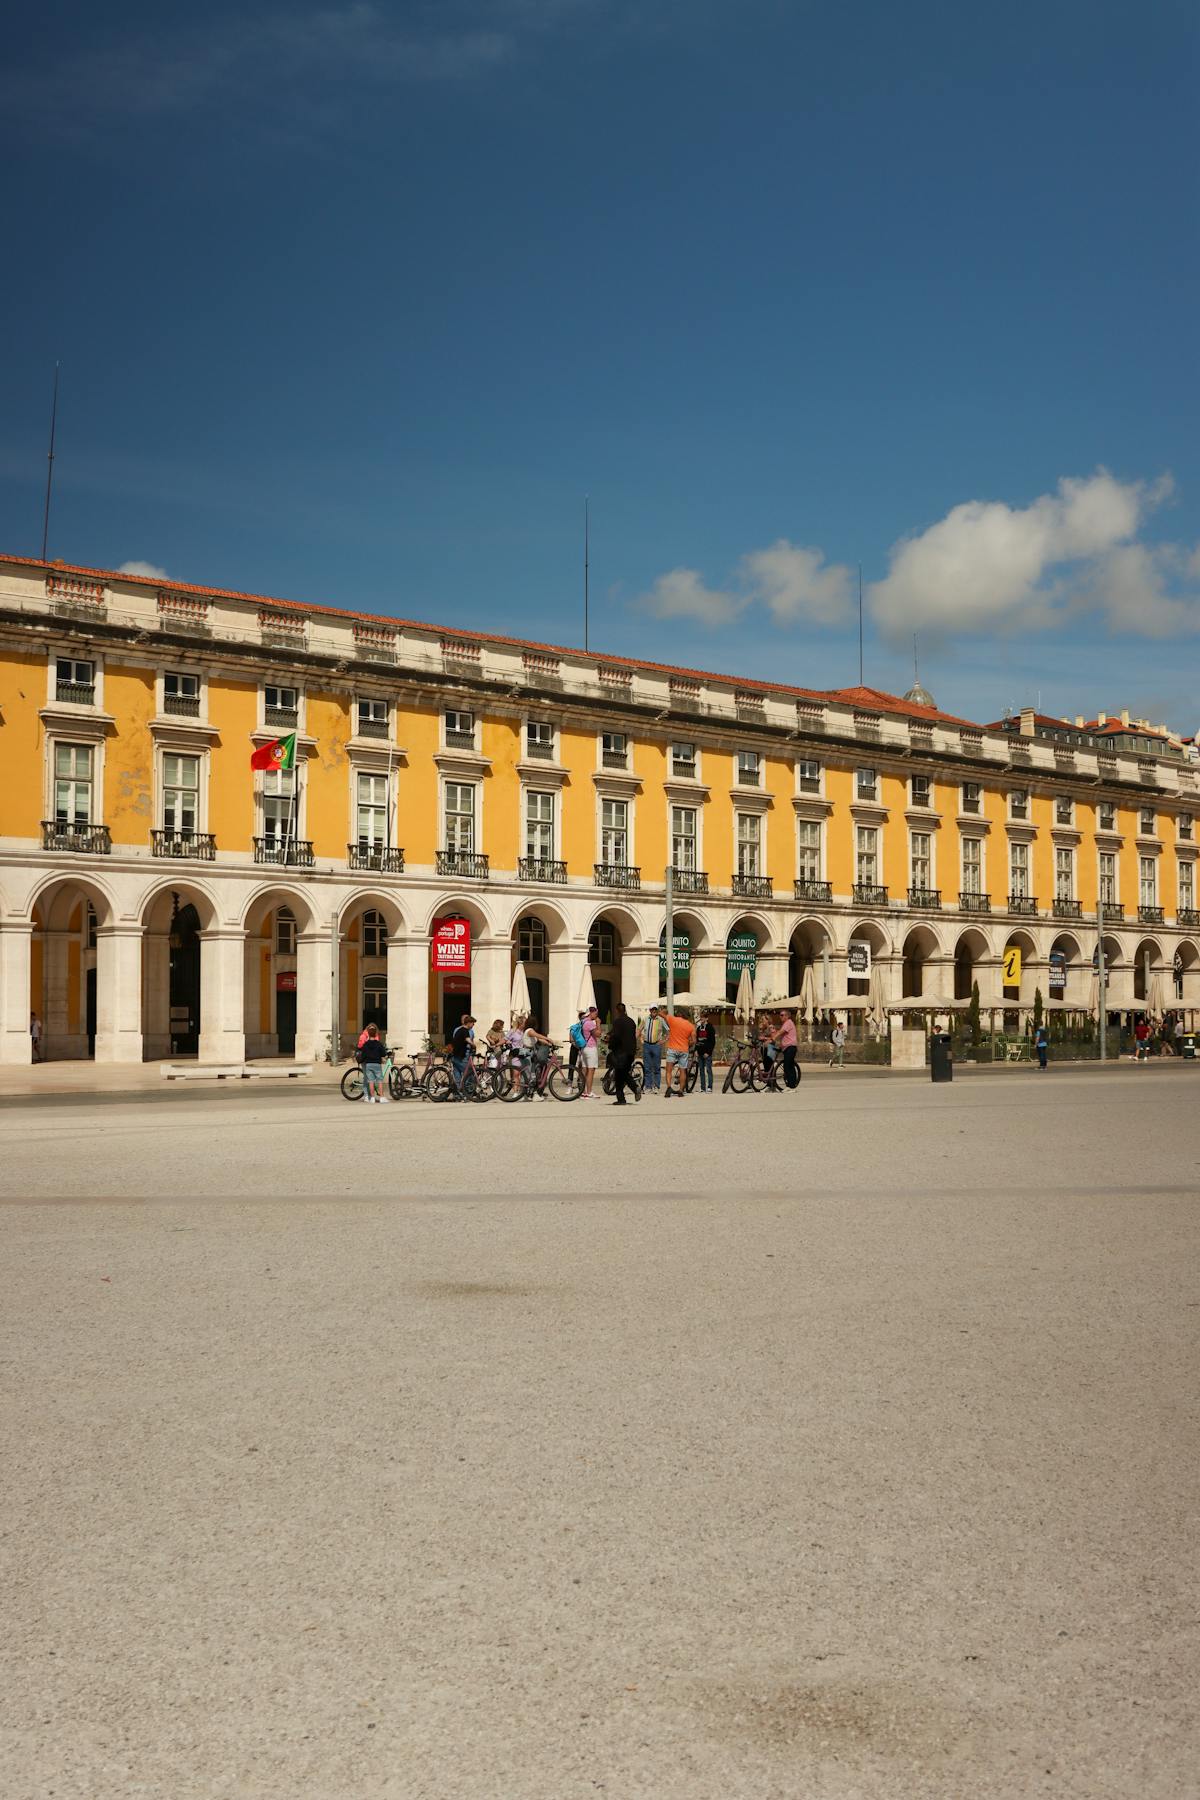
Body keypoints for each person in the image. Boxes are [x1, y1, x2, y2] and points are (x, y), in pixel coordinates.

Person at [607, 1002, 639, 1105]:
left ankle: (629, 1092)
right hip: (631, 1052)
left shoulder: (618, 1022)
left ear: (617, 1010)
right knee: (623, 1074)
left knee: (620, 1075)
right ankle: (627, 1094)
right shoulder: (631, 1021)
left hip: (621, 1052)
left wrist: (609, 1043)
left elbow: (616, 1036)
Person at [662, 1007, 696, 1097]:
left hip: (672, 1048)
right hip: (684, 1050)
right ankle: (681, 1091)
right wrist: (688, 1043)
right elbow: (693, 1040)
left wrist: (664, 1010)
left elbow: (661, 1014)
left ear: (679, 1014)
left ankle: (669, 1087)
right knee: (683, 1071)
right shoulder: (691, 1026)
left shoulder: (673, 1020)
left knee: (669, 1070)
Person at [359, 1023, 389, 1102]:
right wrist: (384, 1056)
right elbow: (383, 1054)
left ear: (368, 1033)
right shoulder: (379, 1044)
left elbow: (363, 1055)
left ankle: (372, 1098)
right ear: (376, 1033)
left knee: (371, 1081)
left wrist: (361, 1060)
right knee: (379, 1081)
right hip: (377, 1064)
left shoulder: (365, 1044)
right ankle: (382, 1097)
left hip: (368, 1064)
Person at [772, 1008, 800, 1088]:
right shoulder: (785, 1024)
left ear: (787, 1016)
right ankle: (790, 1084)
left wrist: (774, 1037)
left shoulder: (788, 1022)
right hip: (786, 1048)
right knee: (788, 1066)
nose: (780, 1017)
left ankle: (791, 1086)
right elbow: (782, 1034)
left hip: (790, 1047)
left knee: (789, 1066)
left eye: (782, 1015)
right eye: (780, 1015)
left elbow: (781, 1032)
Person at [449, 1013, 475, 1095]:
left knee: (457, 1074)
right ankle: (468, 1091)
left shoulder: (459, 1030)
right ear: (469, 1023)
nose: (473, 1025)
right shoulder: (465, 1031)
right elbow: (468, 1040)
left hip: (455, 1055)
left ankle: (458, 1093)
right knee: (469, 1072)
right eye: (472, 1023)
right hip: (460, 1056)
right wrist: (474, 1045)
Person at [643, 1006, 665, 1092]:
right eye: (652, 1009)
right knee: (647, 1067)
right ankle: (648, 1087)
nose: (654, 1011)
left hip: (656, 1045)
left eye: (655, 1009)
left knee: (656, 1067)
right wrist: (641, 1039)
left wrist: (663, 1041)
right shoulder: (645, 1019)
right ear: (650, 1010)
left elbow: (668, 1030)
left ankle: (656, 1086)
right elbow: (639, 1029)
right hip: (647, 1045)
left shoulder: (660, 1020)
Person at [580, 1005, 601, 1098]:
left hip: (583, 1048)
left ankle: (583, 1091)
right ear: (591, 1013)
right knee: (591, 1070)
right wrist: (598, 1023)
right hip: (591, 1048)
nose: (596, 1016)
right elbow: (598, 1034)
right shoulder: (590, 1023)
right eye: (595, 1014)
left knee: (584, 1070)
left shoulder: (582, 1021)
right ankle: (589, 1092)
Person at [694, 1012, 715, 1092]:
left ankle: (710, 1087)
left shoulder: (710, 1028)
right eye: (701, 1017)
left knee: (708, 1070)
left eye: (703, 1017)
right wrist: (696, 1050)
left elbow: (712, 1042)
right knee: (701, 1070)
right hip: (699, 1052)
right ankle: (703, 1087)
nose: (701, 1019)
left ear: (706, 1018)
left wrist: (708, 1052)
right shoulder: (699, 1028)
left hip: (707, 1053)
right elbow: (697, 1040)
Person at [568, 1011, 587, 1077]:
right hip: (579, 1047)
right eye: (583, 1018)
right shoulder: (576, 1027)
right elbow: (571, 1039)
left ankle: (577, 1081)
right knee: (574, 1065)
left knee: (573, 1065)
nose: (584, 1019)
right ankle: (575, 1081)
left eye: (585, 1018)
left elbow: (571, 1039)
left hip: (577, 1047)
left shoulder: (574, 1027)